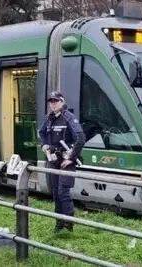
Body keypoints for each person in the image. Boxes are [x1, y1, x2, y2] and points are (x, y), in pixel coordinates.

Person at [38, 91, 86, 232]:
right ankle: (59, 224)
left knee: (63, 192)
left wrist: (71, 158)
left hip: (67, 161)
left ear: (62, 102)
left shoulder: (69, 118)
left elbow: (80, 138)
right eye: (51, 101)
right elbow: (41, 133)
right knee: (55, 193)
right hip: (53, 160)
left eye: (56, 101)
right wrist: (44, 145)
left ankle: (68, 225)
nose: (53, 104)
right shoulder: (48, 118)